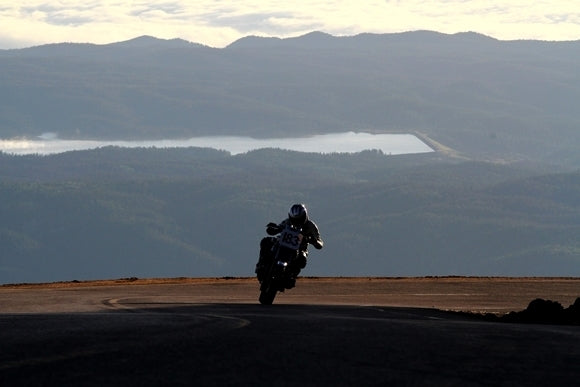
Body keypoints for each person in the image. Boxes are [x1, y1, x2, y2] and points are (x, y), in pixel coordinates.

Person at [255, 203, 323, 283]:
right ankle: (261, 265)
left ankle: (291, 276)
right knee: (266, 241)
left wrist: (315, 241)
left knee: (302, 259)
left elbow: (320, 241)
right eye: (294, 219)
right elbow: (279, 227)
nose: (296, 222)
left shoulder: (311, 226)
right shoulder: (287, 221)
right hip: (282, 243)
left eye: (299, 219)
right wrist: (274, 229)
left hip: (300, 248)